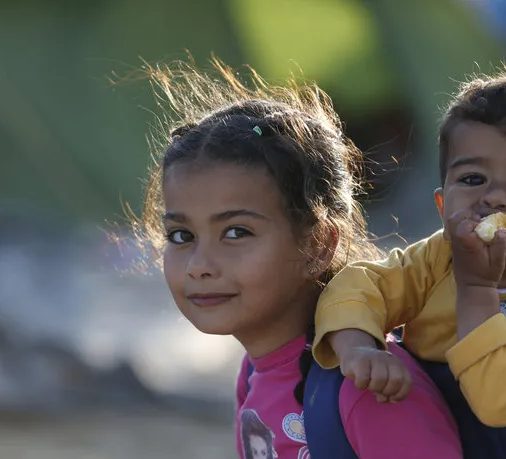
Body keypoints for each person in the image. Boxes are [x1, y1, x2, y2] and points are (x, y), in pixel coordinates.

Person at [133, 57, 462, 458]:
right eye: (181, 235)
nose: (200, 264)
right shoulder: (255, 373)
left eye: (236, 232)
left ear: (319, 245)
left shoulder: (367, 383)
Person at [312, 66, 506, 458]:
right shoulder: (440, 257)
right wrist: (359, 349)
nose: (496, 198)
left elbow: (500, 399)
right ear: (442, 206)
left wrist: (476, 289)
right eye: (472, 179)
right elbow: (361, 285)